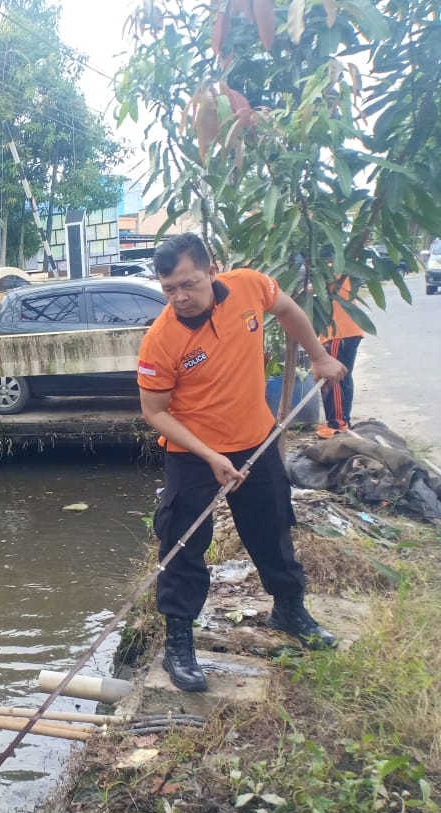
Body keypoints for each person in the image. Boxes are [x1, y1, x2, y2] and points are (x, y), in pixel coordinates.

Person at [137, 233, 347, 693]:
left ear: (212, 270)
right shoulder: (161, 339)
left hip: (257, 441)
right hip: (193, 455)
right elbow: (154, 413)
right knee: (182, 544)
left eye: (189, 284)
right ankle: (178, 640)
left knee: (271, 526)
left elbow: (289, 310)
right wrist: (211, 456)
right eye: (169, 288)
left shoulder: (250, 286)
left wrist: (318, 356)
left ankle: (289, 609)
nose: (180, 298)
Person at [315, 252, 364, 438]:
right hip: (349, 330)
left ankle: (337, 424)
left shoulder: (326, 271)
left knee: (332, 378)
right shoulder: (340, 267)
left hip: (337, 331)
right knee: (343, 377)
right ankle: (343, 421)